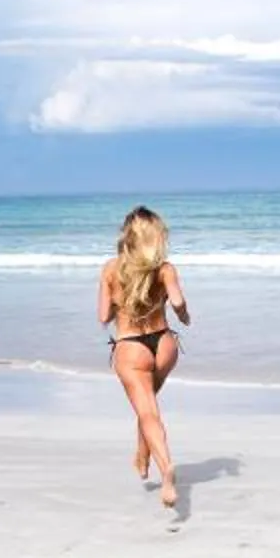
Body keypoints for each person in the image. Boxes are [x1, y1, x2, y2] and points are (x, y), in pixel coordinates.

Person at [99, 206, 190, 508]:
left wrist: (118, 303)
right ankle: (142, 456)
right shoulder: (165, 268)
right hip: (164, 344)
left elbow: (103, 317)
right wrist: (184, 316)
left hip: (131, 348)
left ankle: (166, 471)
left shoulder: (112, 269)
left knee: (148, 411)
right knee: (149, 406)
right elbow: (178, 303)